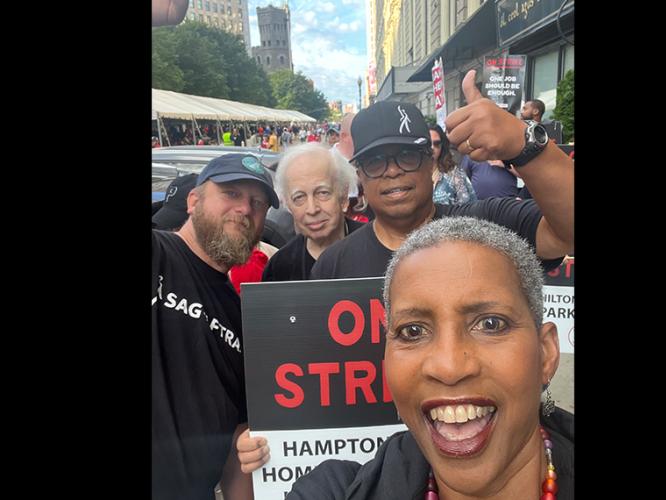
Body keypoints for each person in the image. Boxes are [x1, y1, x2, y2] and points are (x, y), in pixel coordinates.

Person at [247, 217, 574, 499]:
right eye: (413, 331)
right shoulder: (335, 491)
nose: (448, 367)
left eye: (490, 324)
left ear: (546, 353)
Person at [310, 69, 574, 280]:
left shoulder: (489, 226)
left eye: (407, 156)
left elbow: (567, 233)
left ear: (430, 162)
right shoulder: (333, 266)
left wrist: (523, 142)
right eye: (375, 162)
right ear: (360, 175)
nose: (392, 171)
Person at [152, 153, 280, 500]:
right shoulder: (159, 253)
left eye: (258, 203)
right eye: (231, 193)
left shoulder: (242, 317)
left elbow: (238, 442)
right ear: (194, 201)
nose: (245, 209)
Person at [261, 142, 363, 281]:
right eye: (299, 197)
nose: (312, 209)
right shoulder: (280, 268)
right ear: (288, 204)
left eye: (322, 193)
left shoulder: (378, 248)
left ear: (343, 195)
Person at [429, 124, 476, 205]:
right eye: (428, 143)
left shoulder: (455, 173)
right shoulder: (411, 174)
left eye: (436, 144)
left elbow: (469, 206)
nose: (432, 148)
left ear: (442, 146)